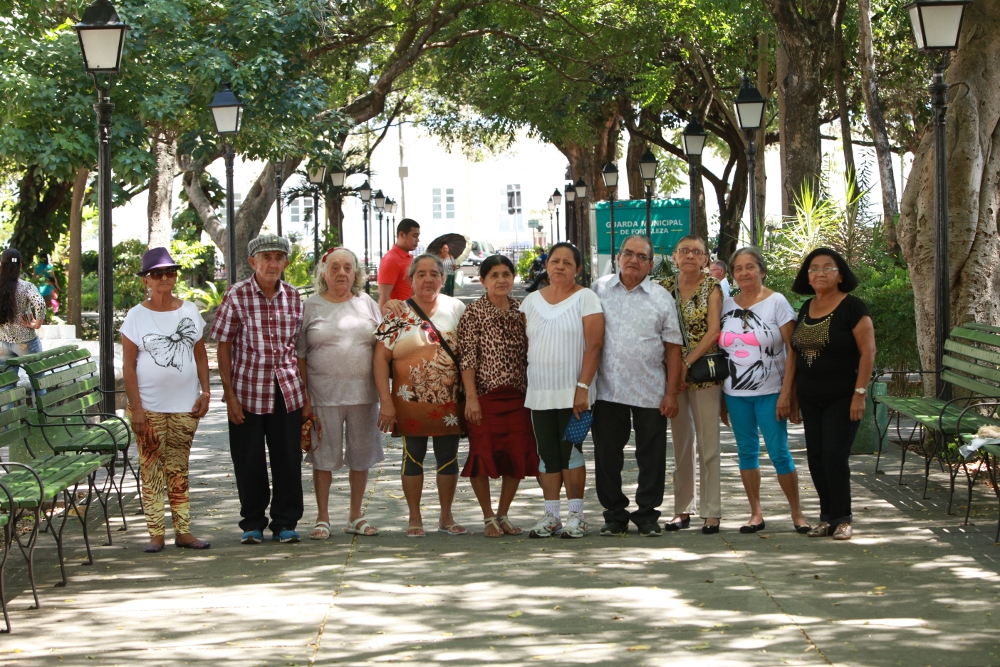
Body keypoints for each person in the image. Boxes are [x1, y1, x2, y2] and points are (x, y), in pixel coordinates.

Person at [210, 234, 307, 545]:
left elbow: (298, 348)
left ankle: (285, 523)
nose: (273, 263)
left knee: (288, 458)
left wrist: (307, 397)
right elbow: (222, 346)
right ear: (253, 262)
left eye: (279, 257)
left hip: (287, 390)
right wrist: (229, 396)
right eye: (266, 257)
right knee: (248, 458)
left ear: (286, 263)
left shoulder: (293, 296)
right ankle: (252, 522)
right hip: (248, 390)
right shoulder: (236, 295)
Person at [591, 236, 683, 537]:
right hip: (607, 390)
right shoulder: (598, 290)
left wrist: (671, 393)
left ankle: (647, 514)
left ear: (650, 263)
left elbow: (673, 349)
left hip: (651, 391)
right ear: (618, 258)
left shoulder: (662, 297)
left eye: (641, 256)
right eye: (628, 253)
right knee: (607, 456)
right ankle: (614, 515)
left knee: (652, 457)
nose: (633, 260)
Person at [121, 248, 211, 552]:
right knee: (151, 467)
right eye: (157, 274)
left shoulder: (189, 311)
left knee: (178, 467)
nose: (165, 278)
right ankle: (156, 533)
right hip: (148, 407)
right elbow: (128, 366)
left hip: (185, 406)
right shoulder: (136, 316)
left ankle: (183, 531)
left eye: (170, 272)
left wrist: (206, 392)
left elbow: (200, 355)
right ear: (146, 280)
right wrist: (137, 408)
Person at [373, 254, 467, 537]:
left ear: (443, 278)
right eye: (421, 274)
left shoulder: (457, 308)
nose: (428, 279)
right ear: (411, 279)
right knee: (412, 456)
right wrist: (386, 403)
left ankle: (446, 516)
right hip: (408, 401)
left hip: (448, 401)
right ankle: (414, 517)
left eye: (434, 274)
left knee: (448, 456)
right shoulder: (398, 312)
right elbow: (380, 359)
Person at [719, 247, 810, 534]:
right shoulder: (725, 304)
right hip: (735, 394)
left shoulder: (777, 302)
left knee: (779, 452)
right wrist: (722, 398)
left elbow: (793, 351)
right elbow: (721, 353)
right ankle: (755, 513)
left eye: (750, 267)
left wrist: (787, 393)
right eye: (738, 268)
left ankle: (797, 513)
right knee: (747, 452)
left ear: (762, 269)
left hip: (771, 392)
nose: (744, 273)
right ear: (732, 274)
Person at [297, 247, 384, 540]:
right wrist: (305, 398)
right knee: (323, 459)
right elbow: (299, 355)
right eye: (334, 267)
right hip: (323, 396)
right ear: (324, 273)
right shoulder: (310, 306)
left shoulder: (366, 303)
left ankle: (355, 516)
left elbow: (383, 348)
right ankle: (323, 518)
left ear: (356, 273)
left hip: (364, 395)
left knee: (361, 457)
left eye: (348, 267)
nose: (341, 273)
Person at [789, 248, 875, 541]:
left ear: (840, 275)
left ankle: (843, 518)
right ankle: (826, 517)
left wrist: (859, 394)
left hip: (843, 397)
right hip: (811, 398)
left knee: (834, 457)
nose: (821, 273)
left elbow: (868, 353)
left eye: (828, 267)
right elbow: (797, 354)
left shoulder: (853, 307)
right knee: (816, 457)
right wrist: (795, 395)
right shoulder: (806, 307)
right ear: (807, 276)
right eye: (814, 268)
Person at [521, 242, 604, 539]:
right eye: (555, 261)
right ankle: (551, 516)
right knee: (548, 457)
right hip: (539, 394)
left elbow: (594, 346)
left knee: (572, 453)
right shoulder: (530, 302)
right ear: (546, 266)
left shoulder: (586, 298)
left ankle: (577, 517)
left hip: (575, 395)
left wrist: (583, 388)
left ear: (578, 269)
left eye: (567, 263)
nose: (560, 267)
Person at [458, 255, 539, 537]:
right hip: (485, 397)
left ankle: (503, 513)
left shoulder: (522, 310)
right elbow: (467, 358)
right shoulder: (473, 313)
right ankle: (488, 517)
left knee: (516, 456)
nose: (501, 279)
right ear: (482, 281)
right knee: (481, 455)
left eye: (506, 274)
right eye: (494, 275)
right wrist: (471, 397)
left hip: (518, 397)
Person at [655, 235, 723, 534]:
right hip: (672, 378)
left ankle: (711, 510)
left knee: (709, 445)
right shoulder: (662, 289)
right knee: (681, 446)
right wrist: (673, 370)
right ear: (674, 256)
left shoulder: (713, 287)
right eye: (684, 251)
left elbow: (713, 332)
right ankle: (682, 509)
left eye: (697, 252)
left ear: (706, 259)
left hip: (703, 375)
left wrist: (685, 364)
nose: (690, 256)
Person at [0, 249, 45, 361]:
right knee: (38, 376)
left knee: (7, 378)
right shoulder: (26, 287)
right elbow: (40, 303)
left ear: (1, 264)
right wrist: (37, 325)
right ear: (20, 265)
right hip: (26, 342)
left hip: (2, 343)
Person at [377, 218, 421, 314]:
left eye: (418, 236)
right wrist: (386, 324)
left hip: (412, 313)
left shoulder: (408, 257)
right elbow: (383, 296)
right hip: (399, 316)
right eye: (414, 236)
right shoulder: (391, 259)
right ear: (402, 235)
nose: (418, 240)